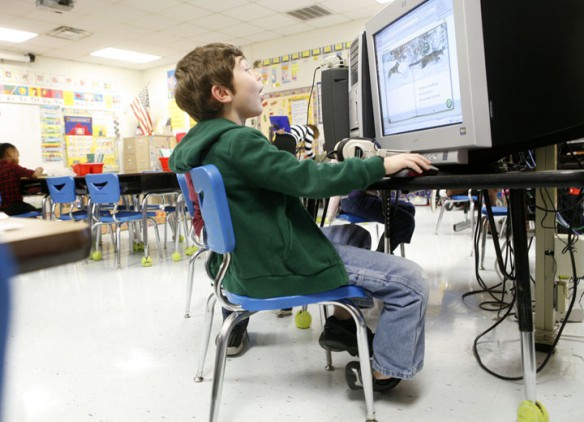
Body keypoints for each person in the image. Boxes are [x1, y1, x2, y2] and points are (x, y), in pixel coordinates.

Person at [170, 43, 429, 391]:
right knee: (410, 283)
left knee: (354, 236)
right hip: (275, 266)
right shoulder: (238, 142)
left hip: (239, 266)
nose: (258, 79)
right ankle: (385, 371)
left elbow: (287, 172)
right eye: (247, 69)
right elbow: (309, 181)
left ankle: (340, 324)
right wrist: (379, 164)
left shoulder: (203, 145)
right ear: (221, 92)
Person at [339, 190, 416, 253]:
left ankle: (385, 250)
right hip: (354, 199)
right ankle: (382, 254)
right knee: (405, 220)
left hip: (370, 197)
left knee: (409, 208)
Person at [0, 143, 43, 216]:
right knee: (35, 210)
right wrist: (40, 169)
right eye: (17, 155)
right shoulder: (12, 167)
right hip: (14, 206)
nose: (18, 159)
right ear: (10, 153)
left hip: (2, 209)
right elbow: (34, 175)